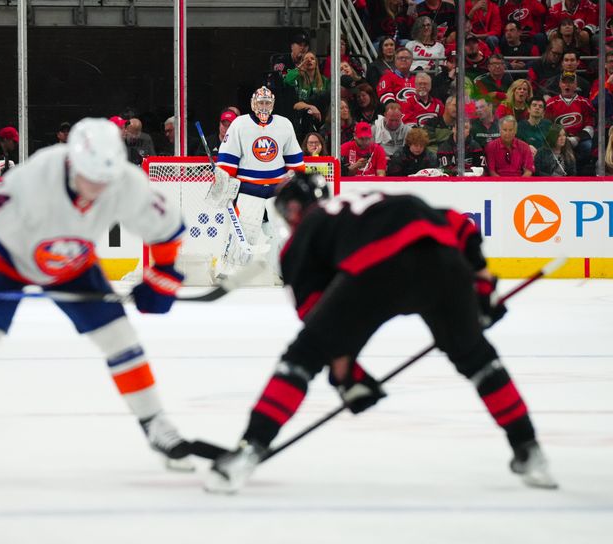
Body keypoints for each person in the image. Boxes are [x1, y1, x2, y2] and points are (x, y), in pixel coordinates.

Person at [204, 172, 558, 494]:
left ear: (293, 209)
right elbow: (459, 225)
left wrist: (347, 375)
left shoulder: (305, 234)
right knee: (479, 359)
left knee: (300, 359)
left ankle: (248, 452)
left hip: (374, 269)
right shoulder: (375, 199)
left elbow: (317, 323)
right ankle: (530, 451)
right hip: (440, 261)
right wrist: (482, 287)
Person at [0, 118, 195, 479]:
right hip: (5, 258)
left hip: (72, 263)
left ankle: (156, 423)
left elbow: (168, 230)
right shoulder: (35, 176)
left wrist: (162, 278)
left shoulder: (124, 182)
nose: (97, 189)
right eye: (90, 178)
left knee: (120, 339)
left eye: (104, 181)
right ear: (73, 163)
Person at [207, 86, 304, 279]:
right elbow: (227, 160)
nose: (264, 107)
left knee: (281, 234)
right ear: (253, 104)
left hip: (277, 191)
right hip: (249, 190)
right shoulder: (239, 125)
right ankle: (228, 273)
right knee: (243, 233)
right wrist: (223, 186)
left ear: (273, 104)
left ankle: (285, 273)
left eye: (268, 103)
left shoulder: (284, 124)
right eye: (260, 103)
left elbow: (294, 161)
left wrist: (296, 185)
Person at [284, 51, 331, 135]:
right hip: (302, 115)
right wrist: (299, 67)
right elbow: (287, 80)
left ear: (316, 63)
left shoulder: (324, 80)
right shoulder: (298, 78)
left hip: (321, 116)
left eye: (312, 59)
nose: (309, 60)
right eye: (306, 59)